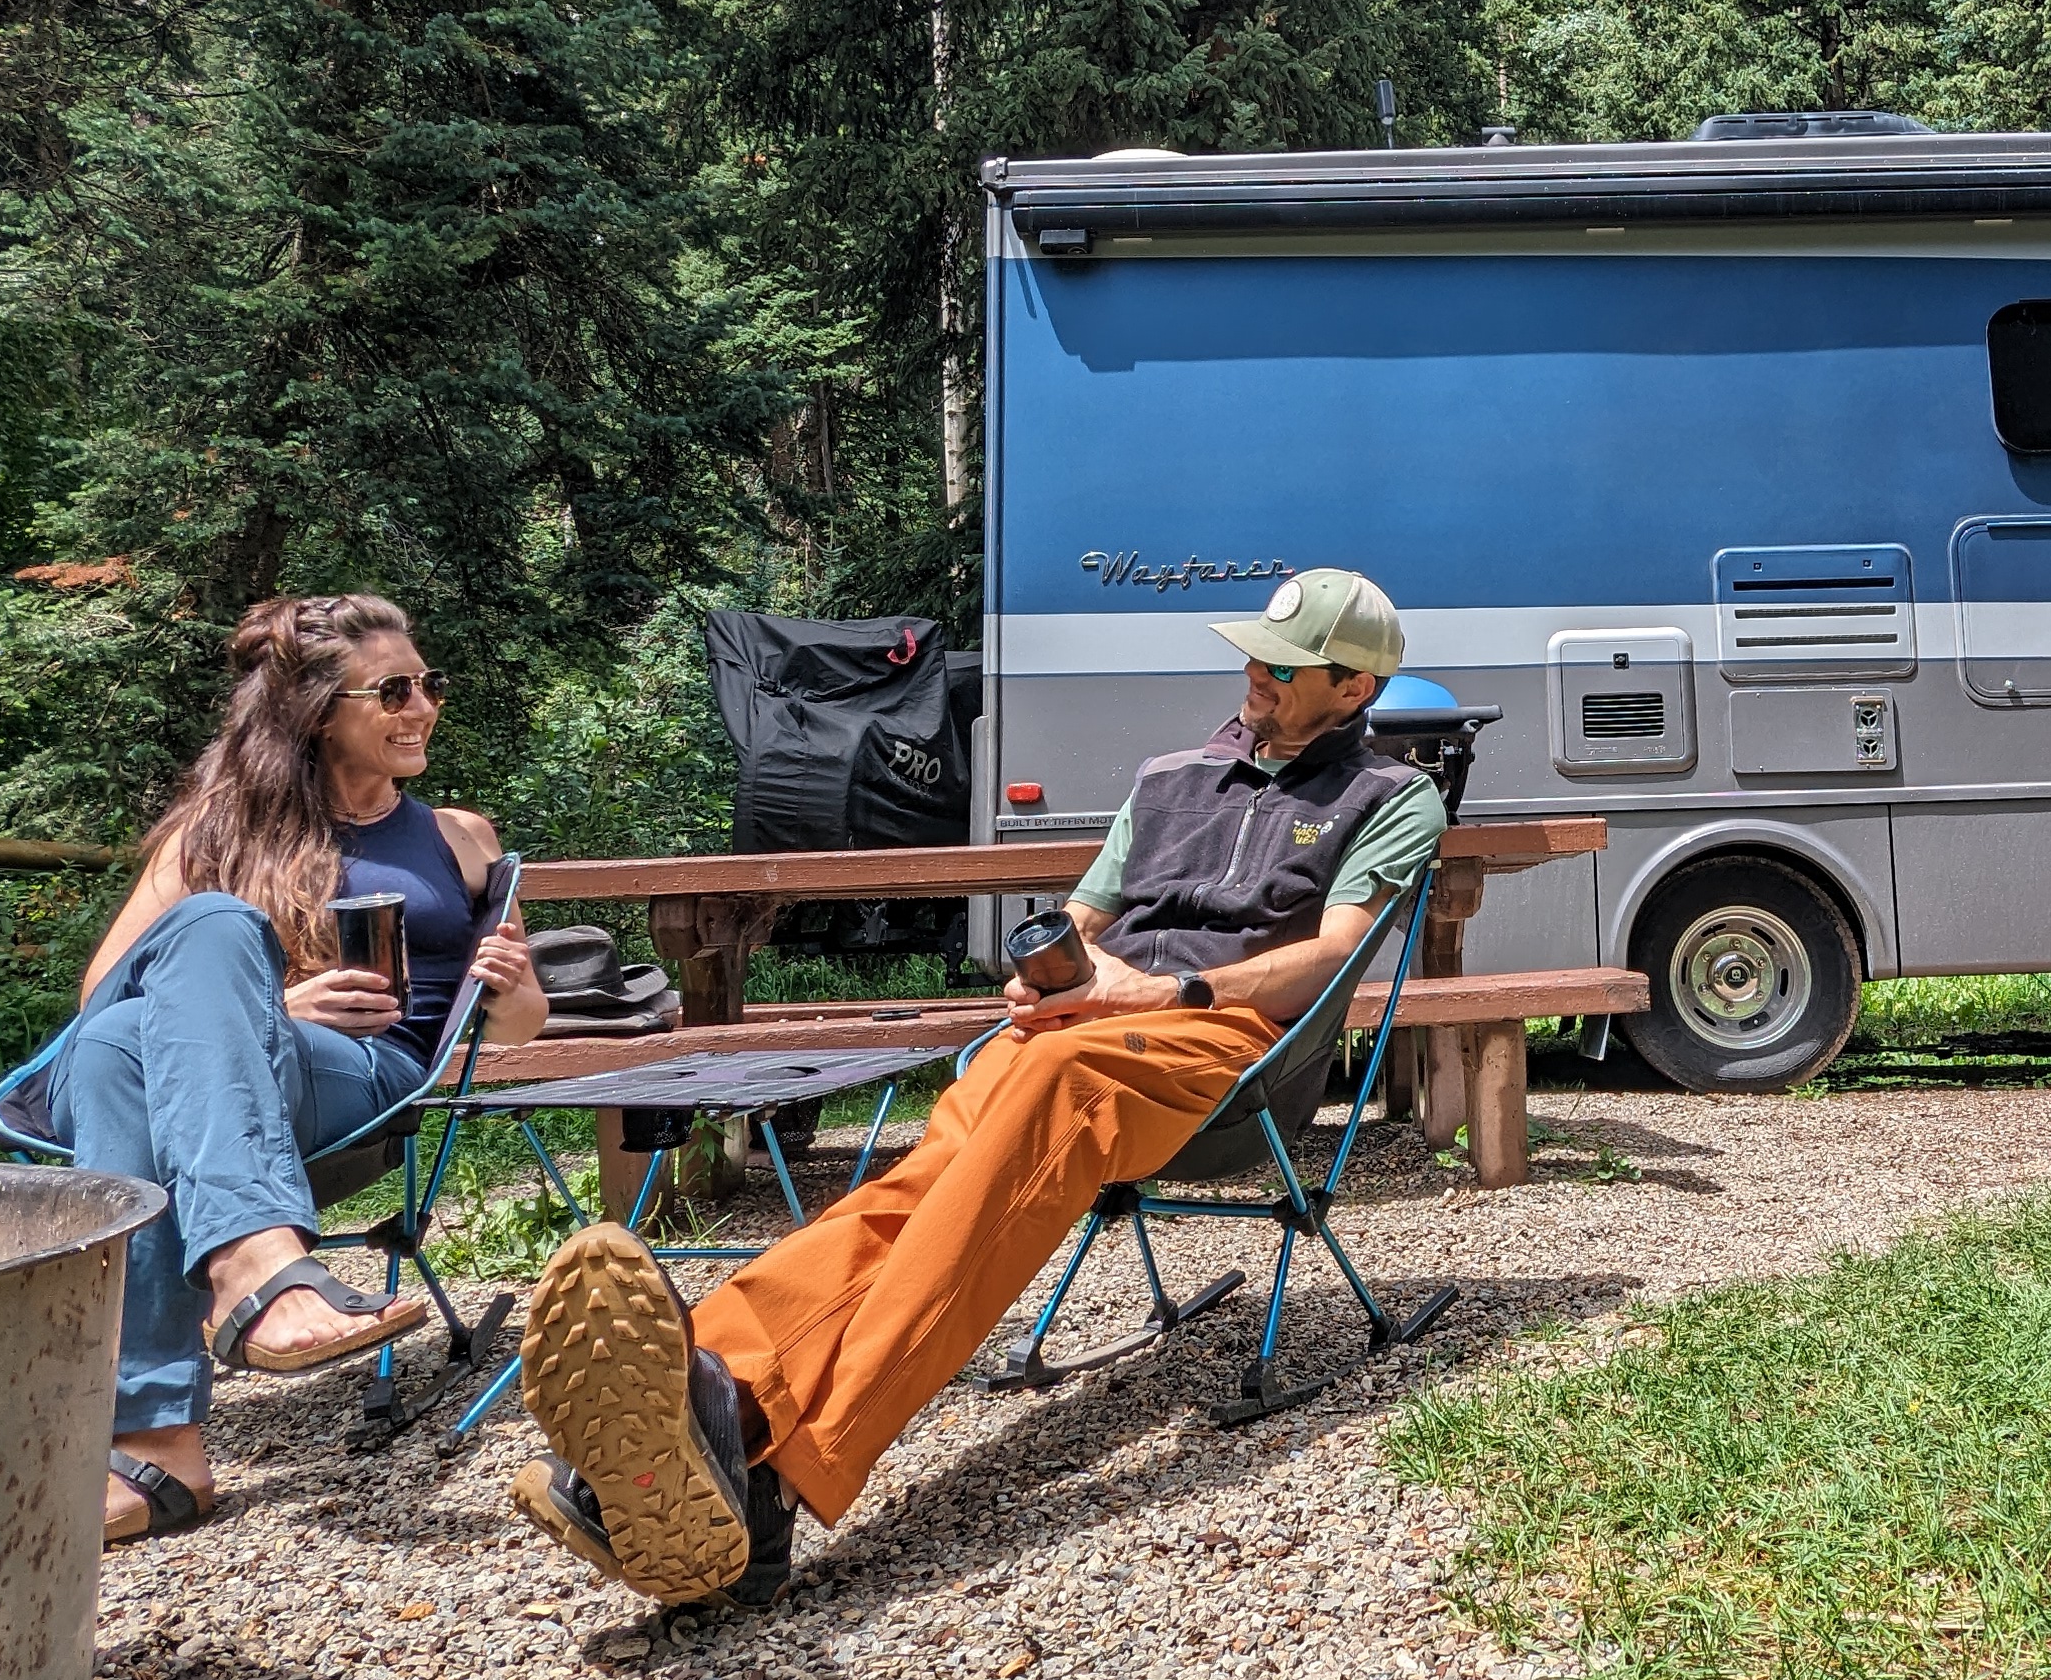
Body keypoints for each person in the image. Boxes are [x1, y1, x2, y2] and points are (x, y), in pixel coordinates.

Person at [504, 567, 1446, 1607]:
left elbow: (1331, 960)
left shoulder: (1392, 799)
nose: (1253, 677)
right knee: (922, 1188)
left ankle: (777, 1473)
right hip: (1082, 1030)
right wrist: (1058, 977)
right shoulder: (1173, 776)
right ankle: (715, 1387)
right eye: (1251, 657)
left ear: (1353, 690)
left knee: (1023, 1129)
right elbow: (1088, 919)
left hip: (1223, 1047)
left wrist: (1165, 987)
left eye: (1282, 666)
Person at [43, 592, 545, 1542]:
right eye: (392, 690)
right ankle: (246, 1283)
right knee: (169, 979)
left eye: (427, 684)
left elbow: (518, 1029)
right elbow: (98, 1001)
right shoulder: (216, 837)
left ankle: (157, 1415)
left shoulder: (458, 839)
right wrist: (266, 1009)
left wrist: (512, 984)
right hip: (219, 1092)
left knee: (133, 1043)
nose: (421, 706)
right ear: (318, 714)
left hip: (364, 1083)